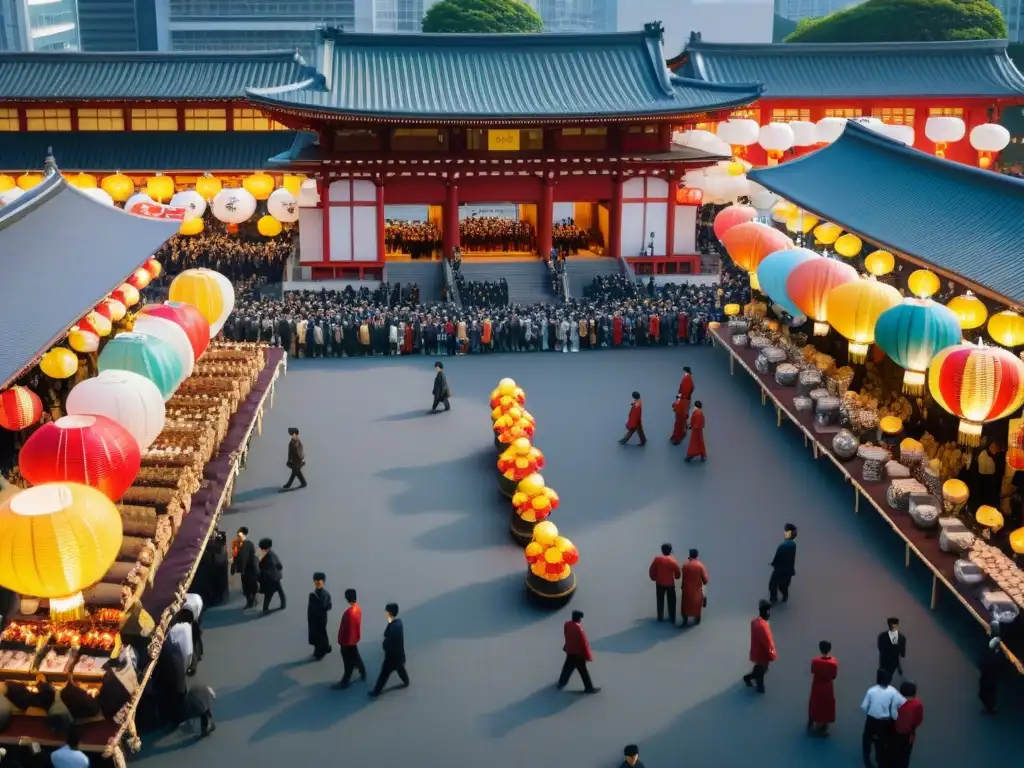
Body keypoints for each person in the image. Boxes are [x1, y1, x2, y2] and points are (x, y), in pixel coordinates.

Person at [860, 668, 904, 768]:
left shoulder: (871, 690)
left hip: (871, 720)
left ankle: (866, 760)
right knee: (881, 743)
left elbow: (864, 707)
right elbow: (902, 703)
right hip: (885, 722)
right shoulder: (893, 692)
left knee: (866, 739)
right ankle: (881, 762)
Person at [369, 603, 408, 698]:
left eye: (387, 612)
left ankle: (376, 692)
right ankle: (406, 681)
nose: (386, 614)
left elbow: (390, 640)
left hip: (391, 657)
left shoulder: (393, 626)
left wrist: (385, 645)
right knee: (400, 667)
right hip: (399, 655)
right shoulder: (398, 623)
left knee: (384, 674)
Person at [558, 610, 599, 693]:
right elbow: (584, 643)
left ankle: (562, 682)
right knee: (583, 671)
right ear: (578, 618)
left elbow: (566, 635)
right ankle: (589, 688)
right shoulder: (578, 628)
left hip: (570, 651)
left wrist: (567, 645)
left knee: (568, 667)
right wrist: (588, 656)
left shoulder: (567, 624)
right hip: (578, 654)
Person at [333, 588, 366, 689]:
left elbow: (345, 629)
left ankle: (345, 682)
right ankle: (362, 671)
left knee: (347, 663)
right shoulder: (358, 609)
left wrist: (342, 641)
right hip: (353, 640)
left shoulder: (348, 613)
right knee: (355, 655)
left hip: (347, 642)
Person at [743, 599, 776, 693]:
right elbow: (768, 642)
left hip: (757, 651)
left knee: (761, 668)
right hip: (763, 654)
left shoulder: (755, 622)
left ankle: (750, 677)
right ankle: (759, 687)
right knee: (762, 670)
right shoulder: (763, 626)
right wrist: (772, 654)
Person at [808, 640, 838, 736]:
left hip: (817, 685)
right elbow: (834, 675)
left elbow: (812, 670)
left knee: (815, 702)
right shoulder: (833, 662)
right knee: (826, 704)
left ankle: (813, 719)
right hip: (827, 686)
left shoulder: (815, 661)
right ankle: (824, 724)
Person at [891, 680, 923, 768]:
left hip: (894, 733)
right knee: (905, 757)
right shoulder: (917, 704)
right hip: (908, 735)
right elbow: (918, 719)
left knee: (892, 755)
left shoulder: (896, 702)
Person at [648, 543, 680, 624]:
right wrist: (676, 576)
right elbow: (677, 574)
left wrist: (653, 578)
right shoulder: (673, 560)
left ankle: (660, 617)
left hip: (659, 583)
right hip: (670, 584)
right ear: (670, 551)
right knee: (672, 602)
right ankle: (672, 618)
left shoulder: (657, 559)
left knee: (660, 601)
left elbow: (652, 570)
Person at [231, 526, 259, 609]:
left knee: (247, 586)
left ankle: (250, 602)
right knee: (251, 585)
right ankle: (252, 601)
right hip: (250, 568)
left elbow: (237, 557)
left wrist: (234, 567)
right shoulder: (249, 544)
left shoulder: (238, 545)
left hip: (246, 569)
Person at [769, 523, 798, 604]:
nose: (784, 533)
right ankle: (777, 600)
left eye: (786, 531)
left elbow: (780, 556)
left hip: (782, 570)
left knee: (778, 586)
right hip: (783, 569)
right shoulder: (790, 545)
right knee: (776, 586)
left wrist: (774, 563)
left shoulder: (786, 545)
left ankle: (778, 600)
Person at [679, 548, 709, 628]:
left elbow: (683, 578)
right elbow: (705, 580)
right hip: (696, 591)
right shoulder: (700, 566)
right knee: (696, 607)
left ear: (689, 555)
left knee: (685, 606)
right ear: (697, 555)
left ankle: (684, 621)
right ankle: (696, 622)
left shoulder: (685, 565)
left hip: (686, 590)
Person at [307, 572, 333, 660]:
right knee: (322, 633)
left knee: (318, 635)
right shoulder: (326, 593)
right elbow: (329, 606)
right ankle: (323, 648)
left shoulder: (314, 595)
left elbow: (312, 609)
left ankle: (320, 651)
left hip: (316, 619)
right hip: (323, 618)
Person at [257, 538, 285, 614]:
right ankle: (283, 605)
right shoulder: (272, 554)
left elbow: (262, 569)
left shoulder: (267, 558)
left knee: (268, 594)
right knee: (280, 592)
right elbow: (280, 565)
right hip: (276, 577)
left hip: (271, 579)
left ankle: (265, 609)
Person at [979, 636, 1001, 714]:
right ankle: (990, 706)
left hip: (988, 663)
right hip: (990, 663)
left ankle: (988, 705)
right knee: (989, 683)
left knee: (987, 683)